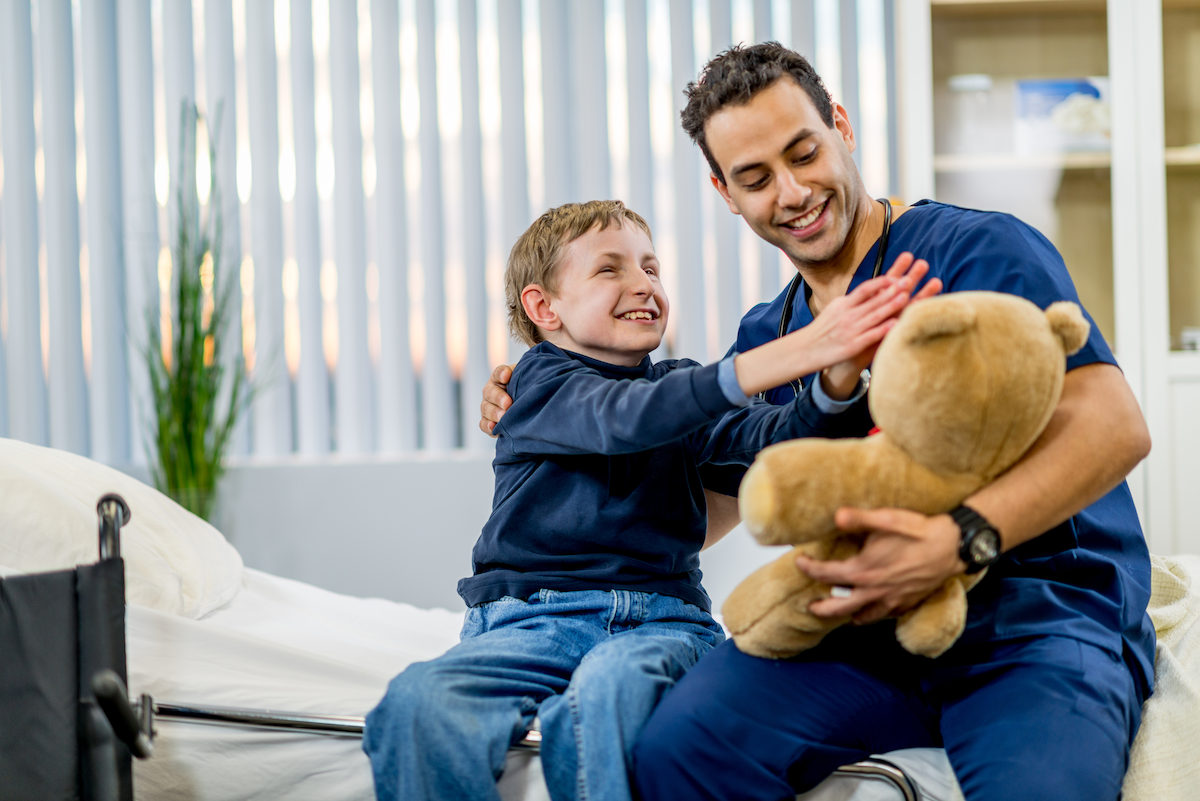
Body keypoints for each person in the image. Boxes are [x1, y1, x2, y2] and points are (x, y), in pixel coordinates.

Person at [478, 45, 1154, 801]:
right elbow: (698, 513)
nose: (794, 192)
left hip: (1037, 620)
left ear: (841, 127)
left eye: (804, 153)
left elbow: (1115, 427)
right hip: (861, 633)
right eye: (757, 178)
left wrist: (956, 537)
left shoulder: (974, 249)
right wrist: (551, 410)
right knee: (677, 751)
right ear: (725, 192)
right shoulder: (769, 339)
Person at [364, 199, 934, 801]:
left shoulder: (677, 386)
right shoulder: (534, 387)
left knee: (612, 688)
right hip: (530, 620)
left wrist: (838, 376)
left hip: (662, 621)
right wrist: (785, 356)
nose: (643, 284)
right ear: (543, 307)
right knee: (417, 703)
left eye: (652, 268)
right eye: (610, 269)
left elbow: (775, 436)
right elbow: (622, 419)